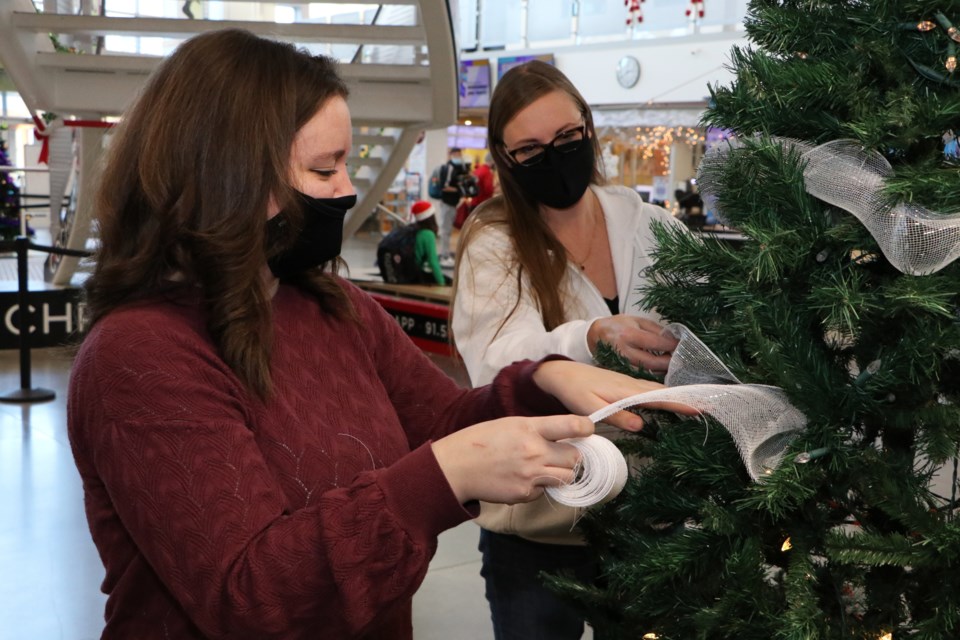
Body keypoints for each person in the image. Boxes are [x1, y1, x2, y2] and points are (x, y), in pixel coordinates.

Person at [65, 30, 676, 640]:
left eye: (346, 165)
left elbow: (444, 422)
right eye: (323, 169)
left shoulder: (334, 307)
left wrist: (545, 378)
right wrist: (443, 476)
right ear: (227, 176)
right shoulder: (140, 355)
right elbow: (250, 597)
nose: (347, 189)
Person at [451, 60, 690, 639]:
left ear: (587, 126)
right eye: (530, 150)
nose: (554, 157)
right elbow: (494, 360)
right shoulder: (495, 241)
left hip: (647, 511)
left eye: (566, 138)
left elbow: (709, 310)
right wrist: (589, 336)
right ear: (506, 160)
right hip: (540, 519)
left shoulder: (645, 223)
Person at [437, 146, 468, 263]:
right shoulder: (448, 167)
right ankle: (444, 255)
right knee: (446, 230)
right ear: (453, 154)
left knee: (448, 229)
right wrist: (458, 190)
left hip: (453, 203)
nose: (460, 157)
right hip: (447, 203)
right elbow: (444, 187)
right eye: (458, 154)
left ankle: (446, 253)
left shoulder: (458, 167)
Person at [409, 199, 450, 285]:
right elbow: (433, 262)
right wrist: (442, 284)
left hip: (407, 272)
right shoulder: (428, 234)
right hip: (414, 276)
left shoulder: (412, 229)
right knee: (449, 282)